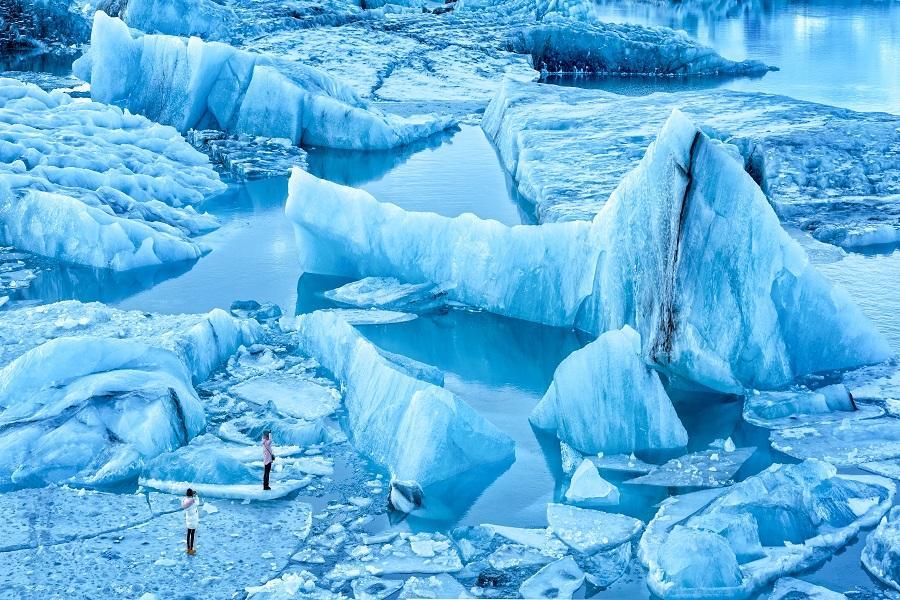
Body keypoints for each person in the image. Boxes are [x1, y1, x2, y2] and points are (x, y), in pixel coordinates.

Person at [181, 488, 201, 555]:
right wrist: (196, 496)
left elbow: (184, 501)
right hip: (193, 520)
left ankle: (188, 548)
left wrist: (191, 495)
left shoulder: (185, 501)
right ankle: (191, 549)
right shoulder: (193, 502)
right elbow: (198, 502)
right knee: (192, 534)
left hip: (188, 519)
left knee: (188, 533)